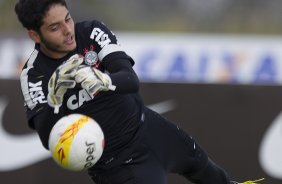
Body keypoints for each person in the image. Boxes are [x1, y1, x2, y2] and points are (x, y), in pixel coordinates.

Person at [14, 0, 263, 184]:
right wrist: (55, 101)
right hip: (118, 166)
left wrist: (101, 79)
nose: (68, 30)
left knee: (208, 172)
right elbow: (48, 138)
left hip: (150, 129)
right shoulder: (34, 75)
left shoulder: (90, 32)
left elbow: (130, 80)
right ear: (35, 34)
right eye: (55, 27)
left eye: (67, 19)